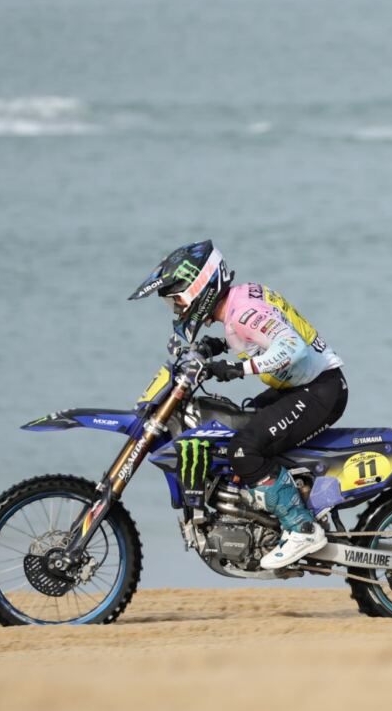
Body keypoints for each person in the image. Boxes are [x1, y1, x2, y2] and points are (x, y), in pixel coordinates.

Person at [128, 239, 347, 569]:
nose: (177, 308)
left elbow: (293, 347)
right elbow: (257, 335)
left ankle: (301, 528)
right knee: (241, 425)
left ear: (199, 286)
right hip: (301, 386)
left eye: (177, 298)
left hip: (318, 392)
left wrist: (239, 369)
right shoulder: (238, 301)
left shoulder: (243, 312)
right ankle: (269, 513)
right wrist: (215, 347)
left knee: (245, 449)